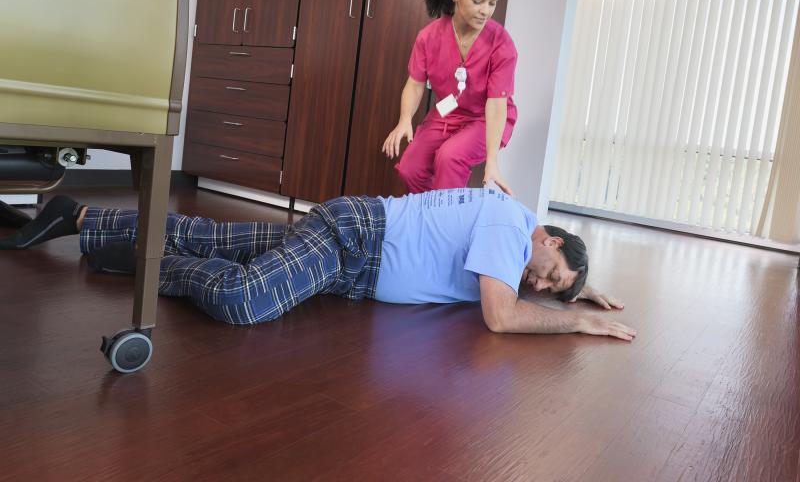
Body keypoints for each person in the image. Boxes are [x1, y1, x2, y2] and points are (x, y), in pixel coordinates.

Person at [0, 190, 635, 340]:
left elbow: (527, 286)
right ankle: (140, 264)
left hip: (353, 265)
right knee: (247, 299)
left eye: (546, 290)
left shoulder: (522, 240)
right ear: (548, 237)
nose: (537, 285)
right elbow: (500, 318)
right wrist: (573, 322)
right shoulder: (510, 222)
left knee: (219, 238)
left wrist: (576, 289)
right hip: (356, 238)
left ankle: (81, 217)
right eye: (546, 274)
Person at [382, 0, 518, 195]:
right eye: (478, 1)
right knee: (410, 168)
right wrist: (404, 119)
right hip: (447, 114)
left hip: (485, 118)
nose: (485, 11)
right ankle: (434, 213)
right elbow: (415, 85)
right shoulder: (429, 37)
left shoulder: (501, 43)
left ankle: (446, 226)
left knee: (450, 157)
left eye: (492, 3)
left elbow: (497, 104)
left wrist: (492, 161)